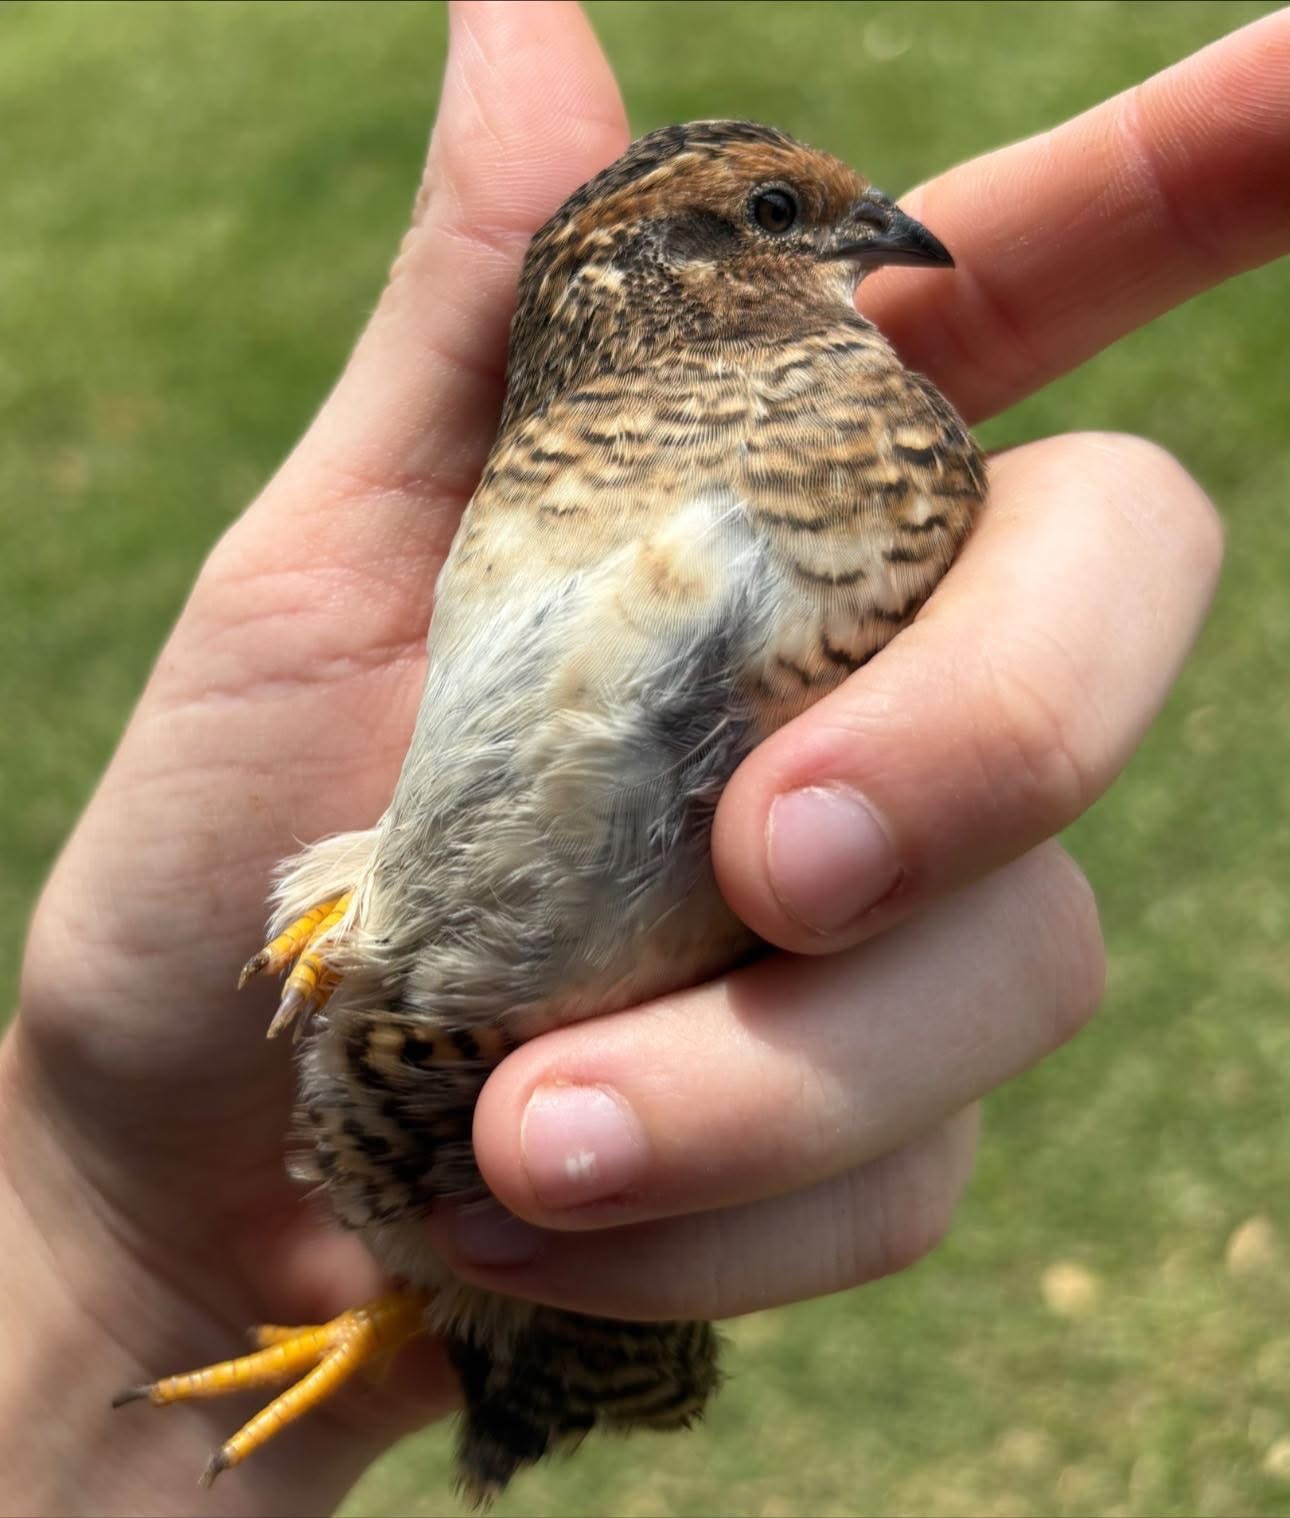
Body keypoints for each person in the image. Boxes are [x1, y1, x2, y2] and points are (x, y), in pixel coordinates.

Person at [1, 2, 1285, 1512]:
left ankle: (449, 1302)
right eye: (777, 216)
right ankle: (440, 1293)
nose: (869, 230)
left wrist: (109, 1264)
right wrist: (91, 1241)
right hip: (414, 1067)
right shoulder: (549, 437)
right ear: (649, 264)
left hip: (472, 1111)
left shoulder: (886, 437)